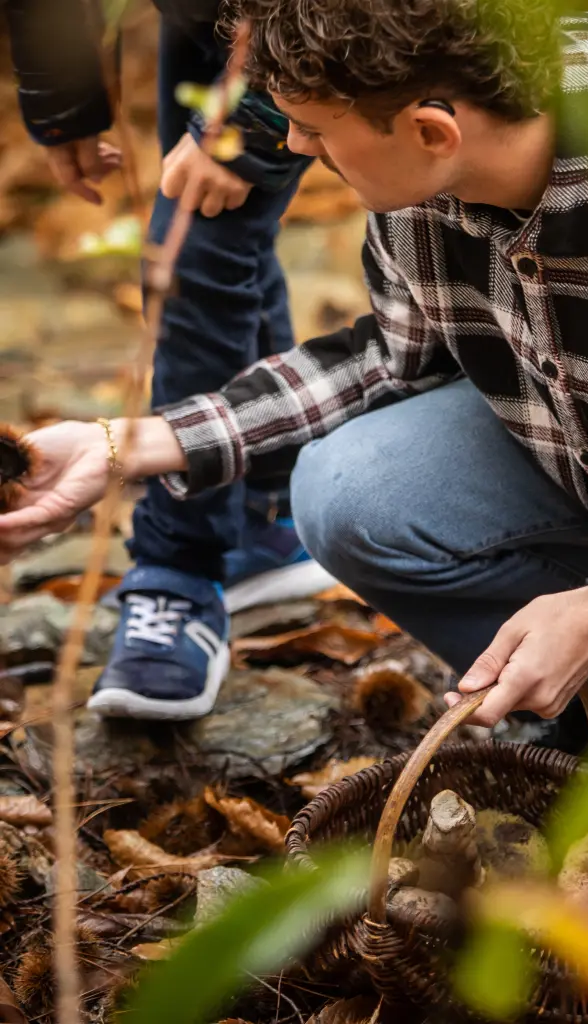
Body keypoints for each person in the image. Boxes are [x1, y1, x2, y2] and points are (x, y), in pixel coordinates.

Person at [2, 0, 588, 752]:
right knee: (350, 491)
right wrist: (124, 446)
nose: (293, 146)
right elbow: (388, 359)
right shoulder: (423, 175)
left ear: (431, 132)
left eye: (313, 129)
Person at [2, 0, 333, 721]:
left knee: (193, 249)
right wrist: (64, 98)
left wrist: (252, 127)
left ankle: (180, 571)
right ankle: (267, 515)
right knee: (227, 236)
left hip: (304, 23)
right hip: (198, 15)